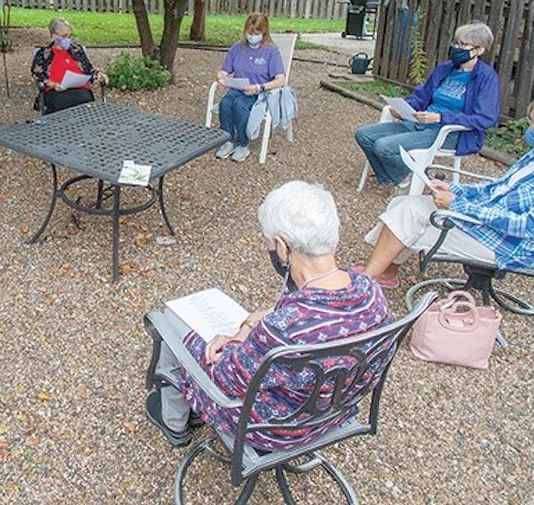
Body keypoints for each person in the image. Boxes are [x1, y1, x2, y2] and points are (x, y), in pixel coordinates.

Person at [145, 181, 390, 450]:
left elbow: (226, 379)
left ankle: (174, 421)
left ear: (282, 247)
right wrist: (257, 323)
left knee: (171, 318)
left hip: (272, 429)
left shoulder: (281, 329)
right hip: (330, 415)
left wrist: (240, 335)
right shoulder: (371, 292)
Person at [361, 89, 534, 288]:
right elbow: (500, 188)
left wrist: (458, 205)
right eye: (531, 122)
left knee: (411, 212)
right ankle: (386, 273)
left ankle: (363, 284)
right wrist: (455, 190)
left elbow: (529, 226)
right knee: (402, 204)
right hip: (491, 225)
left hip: (508, 246)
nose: (532, 129)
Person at [355, 21, 500, 188]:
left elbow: (485, 119)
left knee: (384, 147)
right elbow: (422, 96)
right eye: (456, 43)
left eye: (463, 44)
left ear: (479, 50)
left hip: (448, 133)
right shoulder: (446, 68)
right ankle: (395, 178)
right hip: (420, 122)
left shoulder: (486, 78)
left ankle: (407, 180)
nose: (457, 48)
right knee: (364, 135)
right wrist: (404, 106)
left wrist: (440, 117)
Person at [213, 12, 287, 162]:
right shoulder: (237, 48)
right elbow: (225, 70)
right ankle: (227, 140)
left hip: (259, 92)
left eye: (256, 33)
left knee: (240, 106)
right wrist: (221, 77)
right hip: (238, 87)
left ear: (264, 32)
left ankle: (242, 144)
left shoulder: (271, 51)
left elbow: (281, 80)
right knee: (226, 103)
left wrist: (259, 87)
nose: (252, 36)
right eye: (249, 32)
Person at [30, 17, 109, 114]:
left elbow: (88, 69)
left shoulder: (76, 50)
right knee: (64, 102)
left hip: (80, 89)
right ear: (54, 36)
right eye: (64, 36)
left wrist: (98, 73)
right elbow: (37, 75)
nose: (68, 39)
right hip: (56, 91)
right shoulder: (43, 54)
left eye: (70, 36)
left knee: (84, 99)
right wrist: (52, 84)